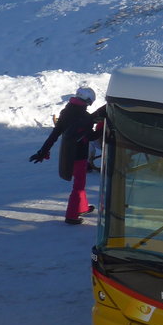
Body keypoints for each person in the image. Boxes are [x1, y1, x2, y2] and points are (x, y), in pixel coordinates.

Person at [29, 85, 100, 225]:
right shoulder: (84, 117)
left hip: (67, 153)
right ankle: (72, 215)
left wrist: (42, 152)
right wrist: (104, 128)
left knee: (81, 182)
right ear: (88, 100)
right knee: (78, 185)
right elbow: (91, 136)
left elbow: (54, 135)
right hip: (79, 155)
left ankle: (82, 207)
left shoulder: (66, 111)